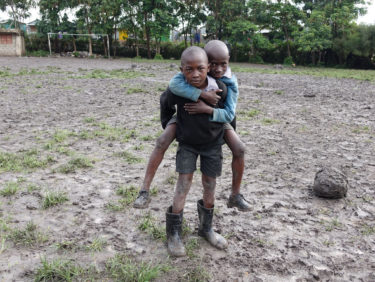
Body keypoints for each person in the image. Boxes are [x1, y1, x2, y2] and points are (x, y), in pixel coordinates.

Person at [134, 40, 251, 211]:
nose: (218, 69)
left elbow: (229, 113)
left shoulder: (228, 83)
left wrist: (223, 127)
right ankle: (144, 190)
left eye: (222, 64)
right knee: (162, 141)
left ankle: (235, 195)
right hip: (186, 118)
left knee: (239, 148)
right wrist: (171, 122)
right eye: (213, 63)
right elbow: (167, 97)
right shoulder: (184, 79)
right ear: (207, 62)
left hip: (218, 118)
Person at [162, 46, 228, 256]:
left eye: (200, 68)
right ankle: (174, 234)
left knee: (210, 184)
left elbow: (228, 114)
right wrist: (169, 124)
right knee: (183, 183)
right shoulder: (179, 90)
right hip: (187, 145)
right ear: (181, 70)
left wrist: (225, 133)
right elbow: (165, 102)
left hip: (212, 145)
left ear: (208, 67)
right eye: (189, 69)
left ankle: (206, 228)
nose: (195, 74)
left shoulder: (220, 89)